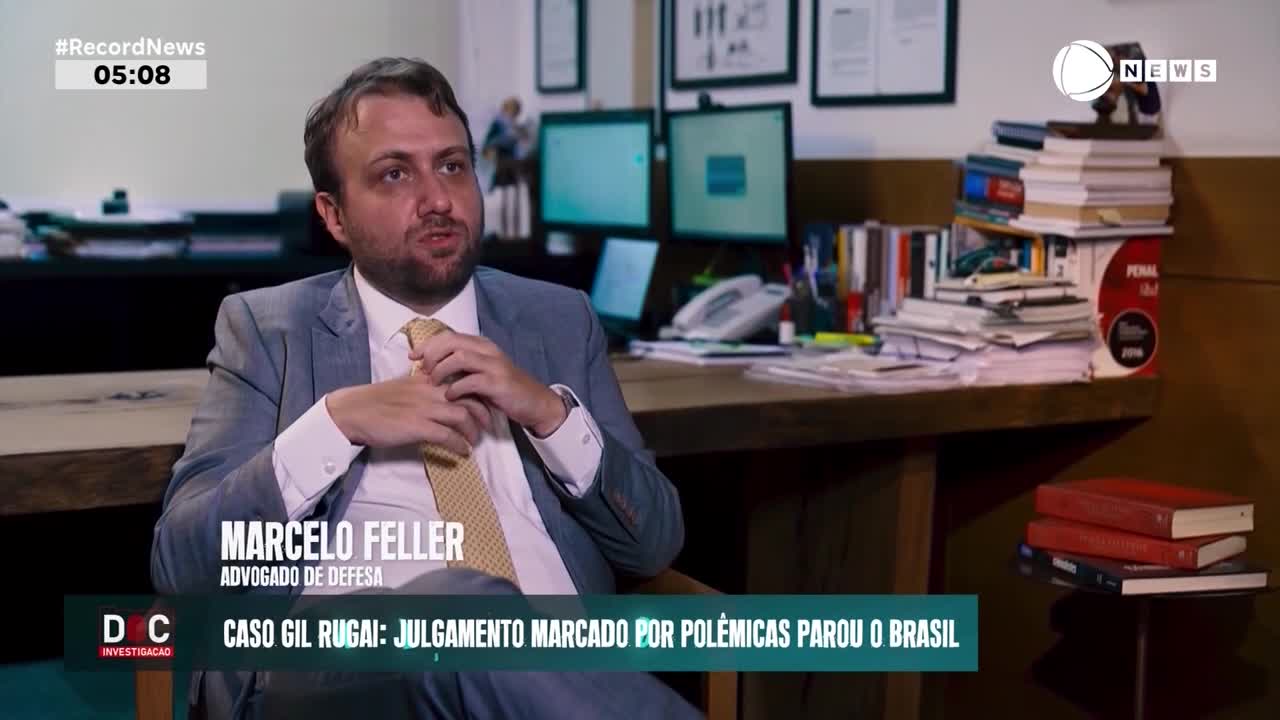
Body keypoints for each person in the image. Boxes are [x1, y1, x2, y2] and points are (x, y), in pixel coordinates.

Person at [150, 56, 697, 720]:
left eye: (452, 166)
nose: (438, 198)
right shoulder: (270, 331)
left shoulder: (557, 319)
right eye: (394, 174)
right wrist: (335, 423)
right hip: (338, 673)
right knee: (463, 610)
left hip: (554, 670)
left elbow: (654, 542)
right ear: (334, 214)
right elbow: (182, 562)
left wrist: (550, 415)